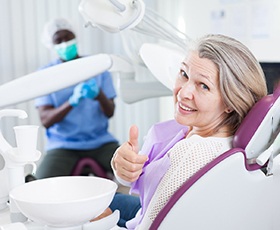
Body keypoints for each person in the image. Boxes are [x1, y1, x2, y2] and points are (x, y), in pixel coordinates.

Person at [105, 34, 268, 229]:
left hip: (145, 221)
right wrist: (123, 167)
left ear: (230, 102)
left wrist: (99, 222)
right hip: (144, 209)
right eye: (184, 73)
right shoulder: (196, 129)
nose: (183, 92)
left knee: (87, 208)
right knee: (109, 200)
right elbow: (140, 181)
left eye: (204, 86)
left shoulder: (193, 153)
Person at [34, 18, 119, 179]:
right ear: (52, 45)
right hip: (63, 146)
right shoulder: (45, 75)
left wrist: (99, 95)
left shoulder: (97, 67)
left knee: (134, 175)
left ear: (76, 37)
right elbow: (46, 120)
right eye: (59, 40)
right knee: (41, 184)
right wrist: (71, 102)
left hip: (101, 142)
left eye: (68, 37)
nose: (65, 43)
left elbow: (110, 112)